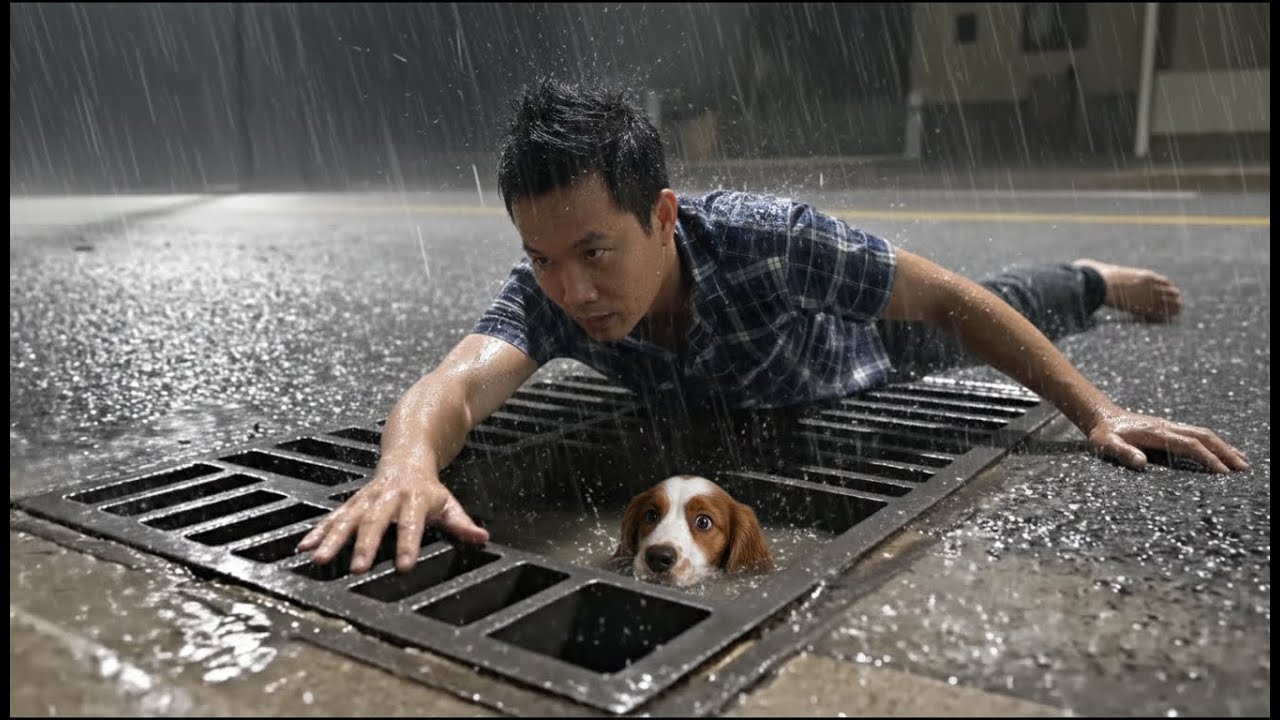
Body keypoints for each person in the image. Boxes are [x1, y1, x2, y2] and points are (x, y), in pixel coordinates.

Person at [298, 79, 1248, 574]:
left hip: (853, 356)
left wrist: (1096, 415)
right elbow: (455, 385)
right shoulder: (550, 292)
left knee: (1003, 298)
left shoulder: (771, 241)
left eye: (594, 253)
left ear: (663, 216)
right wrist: (406, 468)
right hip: (731, 394)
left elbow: (953, 298)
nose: (572, 289)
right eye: (542, 257)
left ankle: (1095, 276)